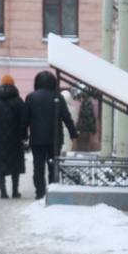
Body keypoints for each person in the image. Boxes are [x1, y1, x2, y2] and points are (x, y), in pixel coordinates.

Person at [25, 71, 78, 200]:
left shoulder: (31, 97)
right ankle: (52, 189)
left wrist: (23, 135)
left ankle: (39, 192)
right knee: (53, 166)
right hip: (54, 139)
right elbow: (67, 117)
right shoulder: (58, 97)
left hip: (37, 138)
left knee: (38, 167)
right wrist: (73, 135)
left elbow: (25, 118)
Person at [0, 75, 27, 198]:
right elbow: (24, 119)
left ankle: (3, 192)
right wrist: (21, 133)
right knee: (15, 165)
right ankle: (15, 191)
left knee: (0, 165)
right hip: (15, 138)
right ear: (13, 85)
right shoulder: (18, 100)